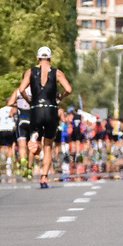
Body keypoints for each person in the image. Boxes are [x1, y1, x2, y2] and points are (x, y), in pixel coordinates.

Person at [17, 47, 72, 188]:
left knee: (36, 136)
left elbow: (21, 89)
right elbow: (69, 89)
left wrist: (30, 101)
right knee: (48, 146)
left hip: (36, 109)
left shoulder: (30, 72)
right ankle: (43, 178)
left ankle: (34, 137)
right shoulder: (57, 73)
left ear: (37, 58)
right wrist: (60, 98)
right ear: (51, 58)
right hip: (51, 110)